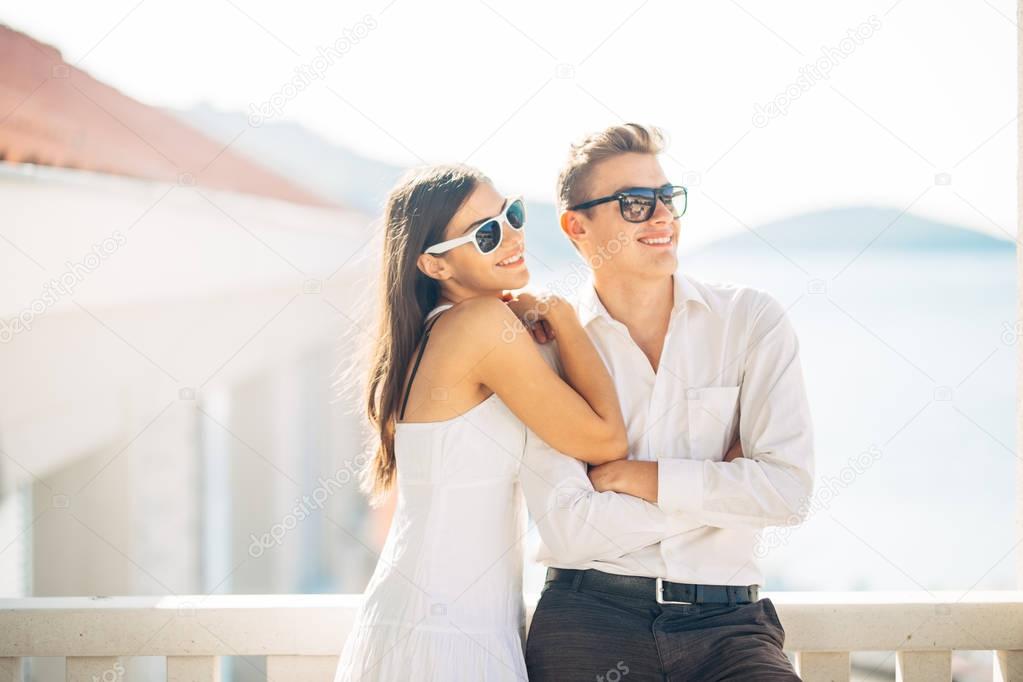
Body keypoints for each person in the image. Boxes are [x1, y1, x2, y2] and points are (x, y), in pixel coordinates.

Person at [334, 163, 687, 681]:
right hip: (446, 633)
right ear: (435, 267)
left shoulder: (449, 331)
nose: (513, 236)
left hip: (443, 617)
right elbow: (606, 439)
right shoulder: (479, 325)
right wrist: (564, 319)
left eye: (511, 214)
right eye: (487, 234)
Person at [521, 123, 816, 681]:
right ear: (576, 226)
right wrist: (718, 485)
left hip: (729, 624)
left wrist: (638, 476)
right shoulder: (546, 347)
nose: (661, 217)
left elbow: (787, 493)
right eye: (634, 203)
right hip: (589, 616)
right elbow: (568, 529)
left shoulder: (750, 321)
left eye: (666, 197)